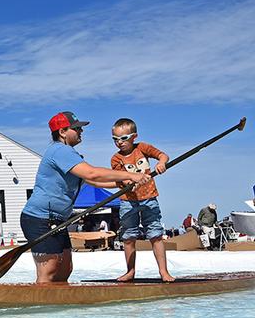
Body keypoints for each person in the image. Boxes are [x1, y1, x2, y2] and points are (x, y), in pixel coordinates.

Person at [21, 112, 150, 283]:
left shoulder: (70, 154)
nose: (81, 131)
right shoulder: (60, 150)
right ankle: (41, 304)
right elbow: (92, 173)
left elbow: (91, 181)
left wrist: (123, 183)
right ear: (63, 132)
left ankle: (58, 305)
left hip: (57, 220)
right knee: (50, 267)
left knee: (66, 268)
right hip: (39, 218)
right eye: (77, 128)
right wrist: (131, 175)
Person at [110, 118, 173, 282]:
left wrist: (161, 163)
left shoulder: (143, 148)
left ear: (134, 136)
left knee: (155, 234)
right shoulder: (116, 159)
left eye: (123, 138)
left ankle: (163, 272)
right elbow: (121, 178)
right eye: (115, 139)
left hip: (149, 198)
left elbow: (163, 155)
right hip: (128, 201)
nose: (119, 143)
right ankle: (130, 271)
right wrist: (129, 181)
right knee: (128, 237)